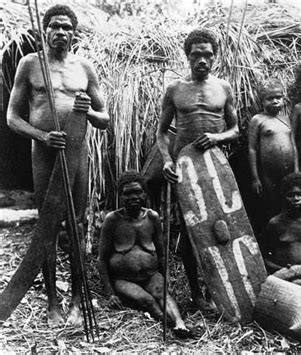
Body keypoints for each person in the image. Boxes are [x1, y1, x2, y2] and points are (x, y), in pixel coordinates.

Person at [6, 5, 109, 325]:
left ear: (74, 33)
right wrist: (42, 136)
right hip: (44, 152)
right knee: (47, 225)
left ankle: (77, 301)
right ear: (45, 30)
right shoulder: (30, 65)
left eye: (67, 27)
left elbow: (104, 118)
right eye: (55, 26)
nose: (61, 32)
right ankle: (52, 302)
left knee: (77, 225)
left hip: (76, 152)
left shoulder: (85, 68)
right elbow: (12, 118)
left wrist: (88, 112)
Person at [156, 29, 239, 310]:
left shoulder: (223, 88)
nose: (202, 60)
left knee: (221, 227)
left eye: (208, 55)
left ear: (215, 57)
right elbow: (160, 132)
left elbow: (236, 129)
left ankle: (221, 289)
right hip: (185, 170)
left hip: (217, 168)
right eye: (196, 55)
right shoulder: (175, 90)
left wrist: (217, 138)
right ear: (187, 56)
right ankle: (196, 293)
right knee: (192, 231)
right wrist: (167, 160)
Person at [98, 171, 191, 338]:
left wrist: (165, 278)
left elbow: (162, 254)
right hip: (124, 279)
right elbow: (102, 260)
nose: (133, 197)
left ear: (145, 194)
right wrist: (110, 293)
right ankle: (169, 325)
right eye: (127, 193)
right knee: (146, 300)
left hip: (151, 275)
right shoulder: (112, 220)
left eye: (137, 192)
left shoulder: (152, 217)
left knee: (162, 294)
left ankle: (180, 323)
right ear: (121, 196)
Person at [263, 173, 301, 292]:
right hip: (287, 277)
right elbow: (266, 258)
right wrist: (287, 271)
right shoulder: (275, 223)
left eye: (300, 194)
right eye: (290, 195)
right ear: (283, 197)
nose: (296, 198)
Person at [248, 80, 298, 227]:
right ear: (262, 101)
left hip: (288, 171)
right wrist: (255, 177)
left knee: (289, 202)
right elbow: (252, 149)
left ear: (284, 99)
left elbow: (293, 145)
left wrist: (296, 169)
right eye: (270, 99)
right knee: (271, 204)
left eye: (278, 97)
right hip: (268, 173)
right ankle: (273, 237)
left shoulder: (287, 119)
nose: (275, 101)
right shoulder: (257, 120)